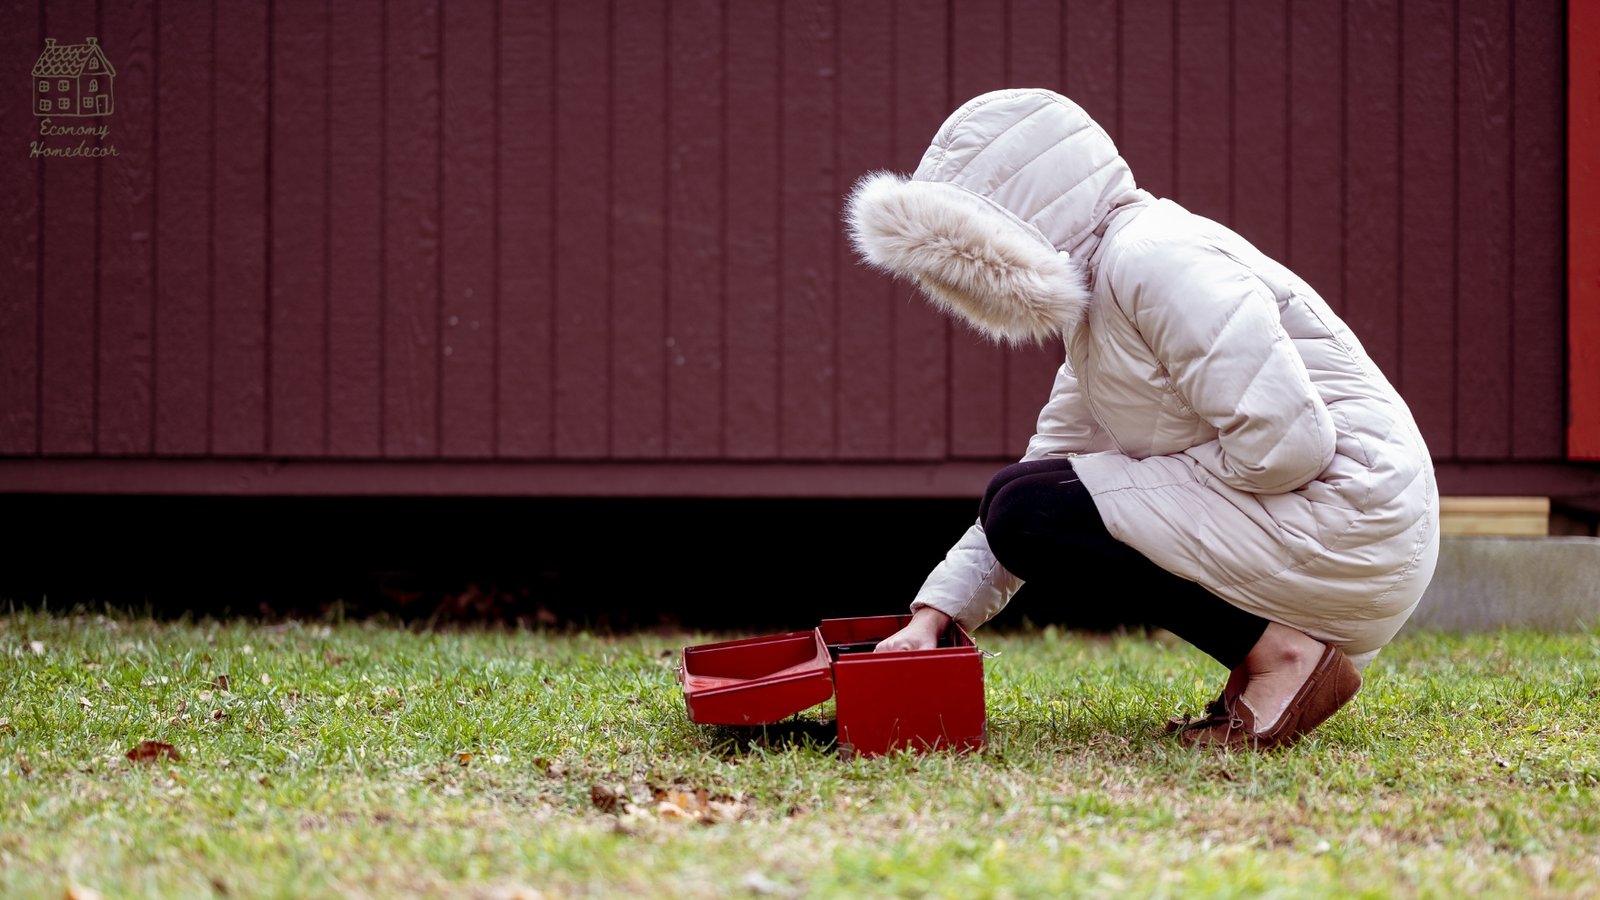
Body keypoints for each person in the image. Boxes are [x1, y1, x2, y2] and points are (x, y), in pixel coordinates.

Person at [845, 88, 1439, 750]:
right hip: (1336, 524)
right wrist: (935, 614)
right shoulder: (1102, 302)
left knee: (1033, 508)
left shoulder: (1153, 256)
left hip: (1353, 518)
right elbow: (1038, 479)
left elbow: (1288, 445)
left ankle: (1284, 658)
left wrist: (1150, 481)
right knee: (1025, 500)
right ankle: (1266, 655)